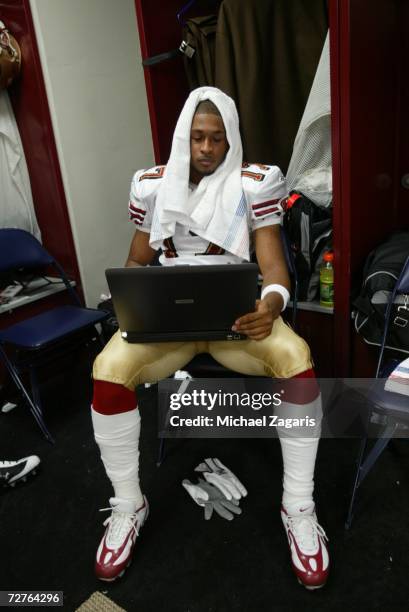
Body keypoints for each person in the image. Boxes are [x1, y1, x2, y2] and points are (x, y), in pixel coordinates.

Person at [91, 87, 329, 589]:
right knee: (107, 371)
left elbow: (274, 270)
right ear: (184, 137)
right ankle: (128, 505)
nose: (205, 148)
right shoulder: (153, 186)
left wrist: (272, 305)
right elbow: (136, 261)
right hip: (167, 327)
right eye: (197, 137)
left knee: (297, 360)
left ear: (230, 140)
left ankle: (299, 506)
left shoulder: (254, 183)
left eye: (216, 139)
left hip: (239, 324)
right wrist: (130, 298)